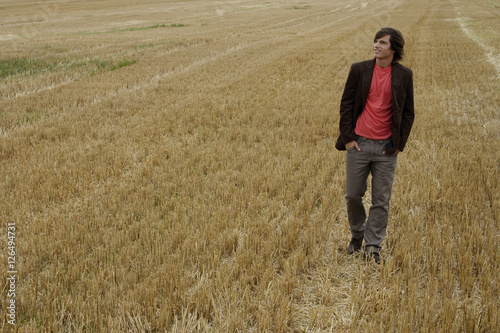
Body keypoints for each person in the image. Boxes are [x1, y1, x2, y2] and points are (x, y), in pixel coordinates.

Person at [335, 27, 414, 263]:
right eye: (375, 41)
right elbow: (346, 104)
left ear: (394, 48)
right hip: (359, 144)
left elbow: (408, 112)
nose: (376, 45)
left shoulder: (404, 74)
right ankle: (357, 236)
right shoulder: (359, 70)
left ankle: (372, 245)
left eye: (382, 43)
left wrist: (399, 144)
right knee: (352, 195)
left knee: (381, 200)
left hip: (386, 149)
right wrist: (349, 139)